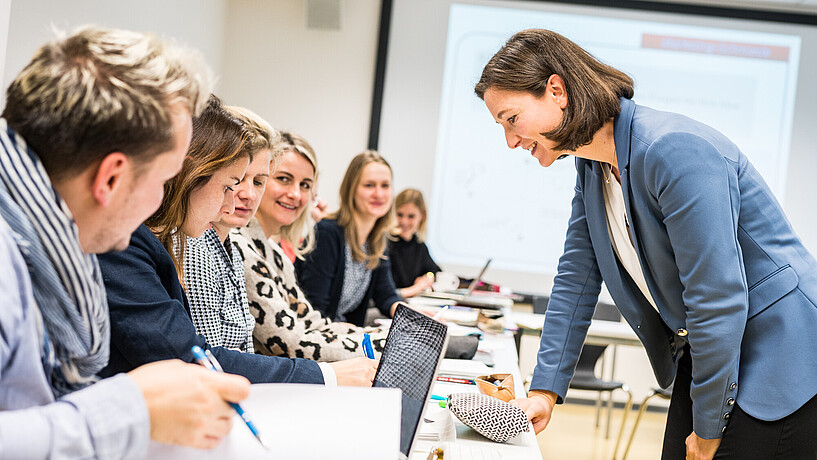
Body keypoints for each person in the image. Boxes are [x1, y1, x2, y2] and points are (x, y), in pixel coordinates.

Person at [475, 29, 817, 460]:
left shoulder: (673, 150)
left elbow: (717, 299)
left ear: (556, 90)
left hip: (779, 357)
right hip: (716, 350)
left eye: (511, 119)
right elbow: (577, 277)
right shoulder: (593, 166)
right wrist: (545, 390)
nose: (510, 141)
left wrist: (708, 428)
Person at [0, 26, 251, 458]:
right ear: (111, 178)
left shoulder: (44, 241)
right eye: (164, 179)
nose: (162, 199)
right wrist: (131, 409)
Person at [97, 96, 376, 387]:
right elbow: (196, 359)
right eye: (232, 185)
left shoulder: (244, 245)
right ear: (191, 173)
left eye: (257, 181)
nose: (236, 201)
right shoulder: (156, 242)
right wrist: (330, 373)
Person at [230, 131, 389, 361]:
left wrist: (379, 337)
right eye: (283, 179)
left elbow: (311, 323)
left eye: (305, 185)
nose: (295, 194)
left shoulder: (275, 253)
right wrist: (381, 347)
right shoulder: (240, 245)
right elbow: (289, 343)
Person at [184, 105, 273, 353]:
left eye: (258, 182)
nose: (247, 194)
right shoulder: (194, 246)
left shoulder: (229, 244)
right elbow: (213, 359)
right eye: (236, 181)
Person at [296, 151, 403, 327]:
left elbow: (386, 295)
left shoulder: (375, 239)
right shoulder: (327, 233)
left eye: (385, 186)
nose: (379, 194)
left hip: (343, 334)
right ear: (351, 190)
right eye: (369, 185)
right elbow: (315, 309)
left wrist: (413, 315)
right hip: (317, 336)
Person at [389, 188, 441, 298]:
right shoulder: (385, 244)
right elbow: (385, 294)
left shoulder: (419, 245)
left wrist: (428, 277)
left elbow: (434, 271)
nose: (404, 221)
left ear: (421, 216)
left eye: (411, 216)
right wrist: (416, 288)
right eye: (400, 215)